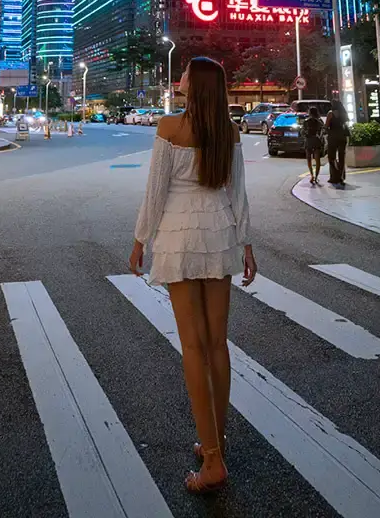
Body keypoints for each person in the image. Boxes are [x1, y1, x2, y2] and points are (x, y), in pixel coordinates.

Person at [130, 57, 257, 495]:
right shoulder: (229, 131)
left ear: (193, 85)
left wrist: (140, 240)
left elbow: (156, 192)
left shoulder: (169, 128)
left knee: (191, 345)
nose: (179, 78)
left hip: (179, 237)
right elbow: (237, 192)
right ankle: (214, 441)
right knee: (217, 344)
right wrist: (247, 244)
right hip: (220, 233)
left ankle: (214, 460)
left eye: (184, 74)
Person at [324, 100, 348, 188]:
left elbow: (326, 126)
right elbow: (345, 124)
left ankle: (334, 176)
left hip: (333, 137)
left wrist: (326, 130)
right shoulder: (343, 113)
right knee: (342, 158)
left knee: (331, 157)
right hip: (342, 137)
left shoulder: (330, 113)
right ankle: (341, 176)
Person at [303, 105, 324, 185]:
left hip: (308, 141)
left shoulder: (306, 121)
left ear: (310, 112)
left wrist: (306, 135)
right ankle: (317, 176)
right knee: (317, 159)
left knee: (309, 159)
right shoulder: (319, 121)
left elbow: (302, 131)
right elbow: (323, 130)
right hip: (316, 141)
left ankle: (312, 175)